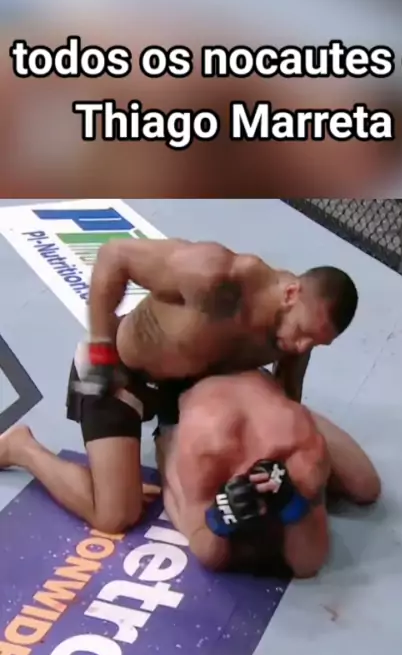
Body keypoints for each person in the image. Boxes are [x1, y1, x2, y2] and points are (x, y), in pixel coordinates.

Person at [0, 238, 359, 537]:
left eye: (316, 343)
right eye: (303, 334)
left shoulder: (298, 331)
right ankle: (22, 448)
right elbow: (114, 255)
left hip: (190, 388)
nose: (301, 347)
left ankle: (167, 440)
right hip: (125, 374)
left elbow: (286, 399)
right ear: (291, 293)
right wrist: (100, 347)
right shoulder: (217, 276)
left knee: (228, 488)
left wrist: (276, 464)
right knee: (114, 515)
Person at [154, 369, 380, 578]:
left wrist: (293, 504)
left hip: (265, 400)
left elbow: (308, 564)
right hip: (188, 391)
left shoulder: (301, 456)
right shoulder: (205, 453)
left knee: (365, 485)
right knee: (180, 505)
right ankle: (166, 436)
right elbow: (206, 551)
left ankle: (290, 409)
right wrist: (219, 518)